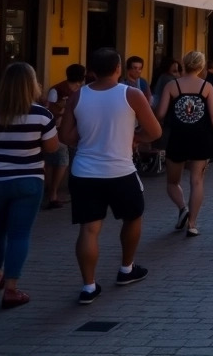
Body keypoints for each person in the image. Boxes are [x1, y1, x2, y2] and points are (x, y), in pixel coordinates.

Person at [60, 48, 163, 305]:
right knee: (133, 216)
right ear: (118, 68)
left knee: (89, 228)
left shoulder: (77, 96)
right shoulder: (132, 94)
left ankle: (88, 286)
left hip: (84, 171)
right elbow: (155, 131)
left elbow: (66, 137)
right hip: (120, 170)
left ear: (92, 70)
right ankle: (127, 268)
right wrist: (134, 138)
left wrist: (88, 139)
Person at [0, 62, 59, 309]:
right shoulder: (42, 115)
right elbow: (51, 148)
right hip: (28, 181)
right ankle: (11, 289)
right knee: (19, 234)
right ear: (32, 85)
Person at [155, 50, 213, 237]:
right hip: (201, 138)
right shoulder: (207, 87)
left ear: (183, 65)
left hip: (178, 137)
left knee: (172, 182)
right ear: (201, 67)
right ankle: (192, 224)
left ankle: (182, 207)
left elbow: (160, 114)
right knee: (197, 181)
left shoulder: (172, 85)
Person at [44, 63, 85, 209]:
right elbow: (50, 110)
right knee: (56, 160)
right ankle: (51, 191)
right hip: (55, 129)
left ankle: (56, 189)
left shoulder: (81, 90)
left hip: (72, 128)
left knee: (66, 159)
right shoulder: (58, 90)